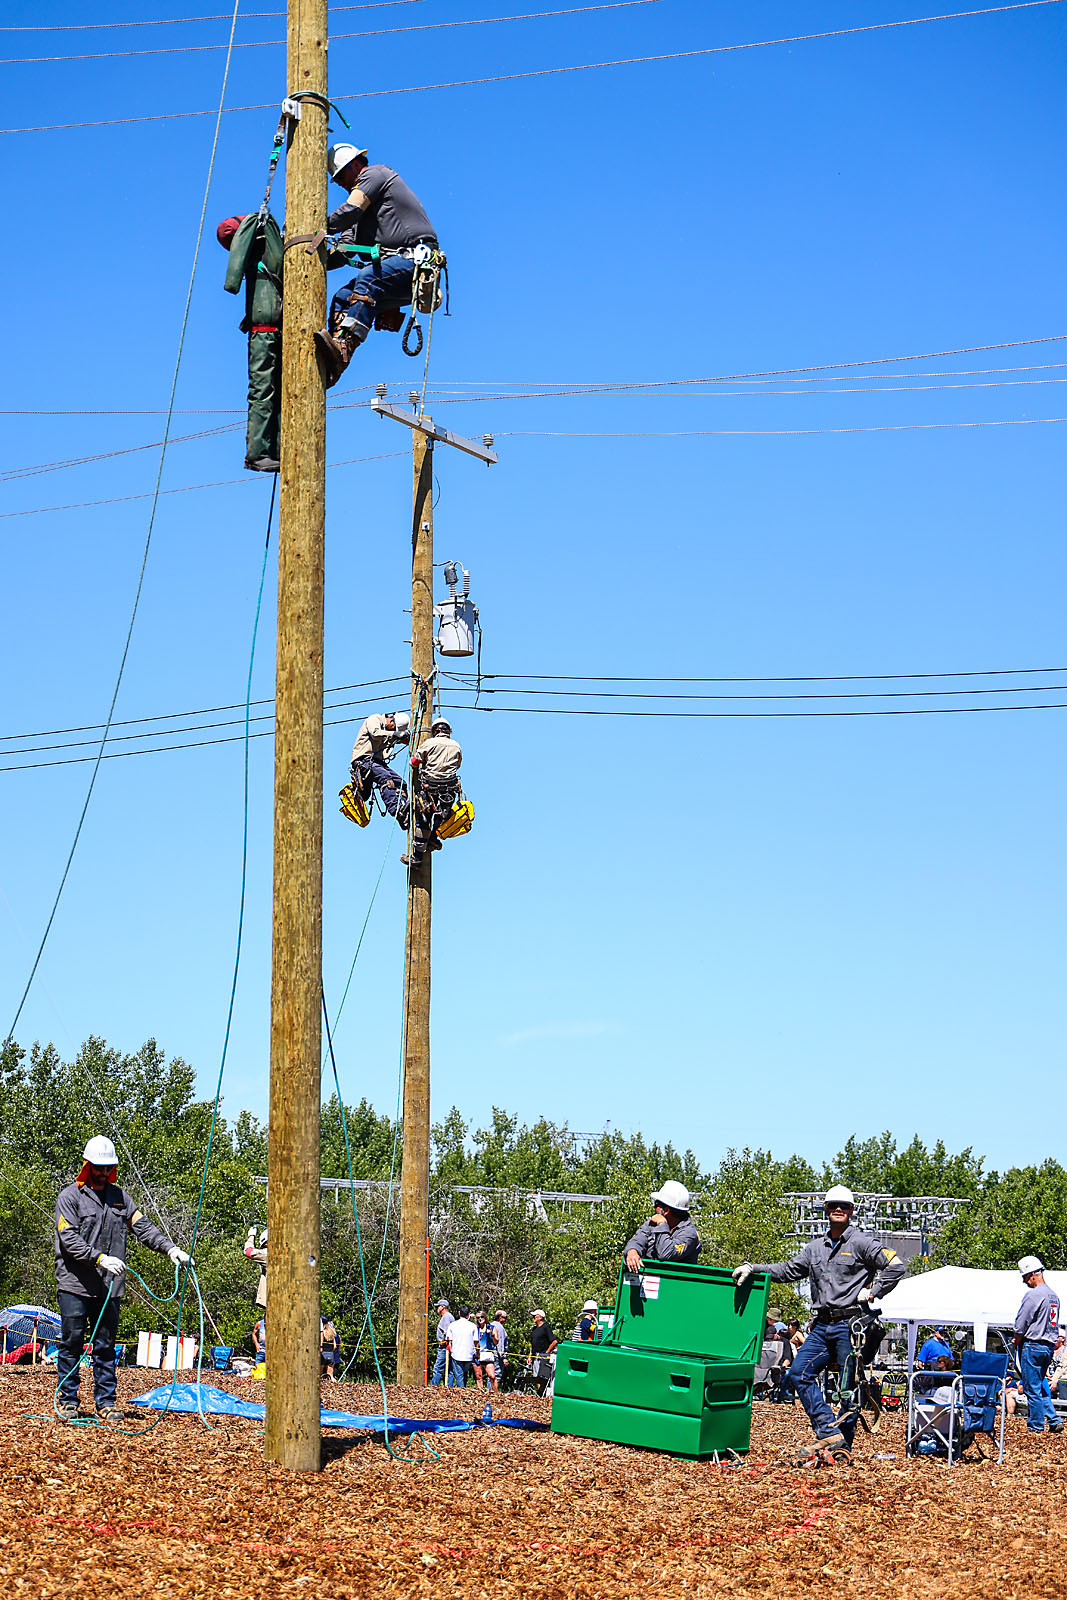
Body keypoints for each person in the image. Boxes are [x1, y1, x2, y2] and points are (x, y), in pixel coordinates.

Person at [732, 1184, 905, 1460]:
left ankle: (841, 1449)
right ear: (825, 1210)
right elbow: (787, 1270)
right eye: (833, 1205)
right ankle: (827, 1431)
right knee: (798, 1374)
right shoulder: (814, 1249)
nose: (838, 1209)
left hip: (850, 1325)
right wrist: (754, 1269)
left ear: (851, 1211)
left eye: (844, 1206)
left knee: (848, 1391)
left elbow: (896, 1266)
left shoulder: (861, 1243)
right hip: (822, 1326)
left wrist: (874, 1290)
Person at [54, 1135, 190, 1423]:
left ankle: (105, 1403)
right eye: (99, 1167)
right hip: (74, 1286)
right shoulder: (69, 1198)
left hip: (109, 1288)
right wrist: (99, 1258)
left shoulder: (120, 1198)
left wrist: (171, 1249)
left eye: (109, 1168)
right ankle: (68, 1403)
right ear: (87, 1165)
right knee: (72, 1344)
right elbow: (68, 1240)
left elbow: (143, 1227)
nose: (104, 1173)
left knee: (105, 1347)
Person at [315, 143, 440, 387]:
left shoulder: (376, 174)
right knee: (342, 297)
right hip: (391, 274)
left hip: (416, 260)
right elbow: (344, 250)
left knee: (368, 276)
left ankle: (344, 346)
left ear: (355, 165)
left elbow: (349, 210)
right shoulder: (360, 213)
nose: (339, 182)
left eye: (340, 175)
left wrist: (313, 227)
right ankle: (335, 360)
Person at [217, 212, 283, 471]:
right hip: (264, 330)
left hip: (273, 330)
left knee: (272, 390)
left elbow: (234, 275)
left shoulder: (262, 233)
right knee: (265, 389)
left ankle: (274, 448)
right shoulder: (264, 239)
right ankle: (258, 452)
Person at [402, 719, 463, 867]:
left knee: (423, 820)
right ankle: (434, 838)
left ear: (435, 731)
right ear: (448, 731)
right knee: (441, 816)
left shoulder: (429, 743)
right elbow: (458, 765)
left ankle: (417, 857)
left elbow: (413, 762)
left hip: (430, 787)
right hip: (449, 790)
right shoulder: (456, 746)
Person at [1014, 1255, 1063, 1435]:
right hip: (1048, 1347)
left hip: (1032, 1345)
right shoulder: (1054, 1296)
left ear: (1034, 1274)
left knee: (1031, 1389)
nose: (1025, 1281)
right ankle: (1054, 1419)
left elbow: (1021, 1322)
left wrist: (1017, 1339)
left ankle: (1035, 1427)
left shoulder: (1033, 1295)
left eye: (1026, 1277)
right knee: (1039, 1386)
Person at [623, 1181, 700, 1271]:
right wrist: (632, 1251)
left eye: (656, 1205)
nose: (655, 1208)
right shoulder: (653, 1223)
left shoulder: (689, 1234)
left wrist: (662, 1224)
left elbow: (665, 1253)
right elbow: (638, 1238)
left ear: (666, 1210)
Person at [349, 711, 411, 823]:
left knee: (401, 783)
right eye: (393, 728)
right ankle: (396, 809)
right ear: (392, 720)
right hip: (363, 761)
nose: (392, 731)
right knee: (385, 777)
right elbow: (375, 733)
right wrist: (395, 734)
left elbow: (395, 739)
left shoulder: (388, 732)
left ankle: (403, 812)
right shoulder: (375, 719)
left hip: (376, 763)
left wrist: (406, 738)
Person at [446, 1305, 478, 1389]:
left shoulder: (452, 1325)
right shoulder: (473, 1326)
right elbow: (476, 1342)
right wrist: (477, 1353)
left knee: (459, 1375)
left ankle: (462, 1392)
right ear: (468, 1314)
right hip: (468, 1354)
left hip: (456, 1354)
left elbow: (449, 1341)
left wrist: (451, 1351)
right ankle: (463, 1391)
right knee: (465, 1374)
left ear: (459, 1313)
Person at [529, 1309, 557, 1397]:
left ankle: (543, 1396)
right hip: (535, 1356)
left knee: (542, 1377)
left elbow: (554, 1342)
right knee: (536, 1376)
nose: (533, 1318)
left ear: (540, 1317)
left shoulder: (546, 1328)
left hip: (543, 1356)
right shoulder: (534, 1329)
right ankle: (539, 1396)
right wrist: (529, 1356)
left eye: (535, 1316)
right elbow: (532, 1343)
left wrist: (546, 1352)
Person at [430, 1298, 456, 1387]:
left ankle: (433, 1387)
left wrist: (443, 1342)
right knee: (449, 1370)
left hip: (445, 1348)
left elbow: (447, 1333)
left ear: (442, 1307)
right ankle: (449, 1387)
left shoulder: (446, 1317)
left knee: (437, 1368)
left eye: (438, 1306)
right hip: (448, 1347)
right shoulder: (449, 1317)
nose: (437, 1308)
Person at [473, 1311, 498, 1392]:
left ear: (485, 1317)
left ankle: (496, 1393)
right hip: (477, 1355)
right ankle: (481, 1394)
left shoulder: (491, 1327)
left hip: (488, 1355)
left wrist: (492, 1334)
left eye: (482, 1317)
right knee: (478, 1376)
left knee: (492, 1376)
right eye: (478, 1317)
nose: (480, 1319)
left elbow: (496, 1342)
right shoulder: (475, 1329)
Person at [244, 1225, 268, 1308]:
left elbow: (248, 1251)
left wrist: (251, 1236)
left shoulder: (269, 1254)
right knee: (260, 1322)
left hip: (273, 1301)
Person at [320, 1314, 342, 1382]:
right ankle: (335, 1385)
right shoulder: (332, 1333)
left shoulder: (322, 1333)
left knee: (320, 1375)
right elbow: (335, 1346)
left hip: (323, 1354)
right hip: (331, 1354)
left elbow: (321, 1342)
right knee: (331, 1375)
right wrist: (331, 1351)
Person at [491, 1310, 509, 1382]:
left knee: (491, 1375)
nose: (506, 1320)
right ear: (500, 1318)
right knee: (496, 1375)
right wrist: (503, 1357)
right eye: (505, 1317)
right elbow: (500, 1343)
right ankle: (492, 1392)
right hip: (497, 1356)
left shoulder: (491, 1325)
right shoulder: (500, 1328)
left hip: (490, 1355)